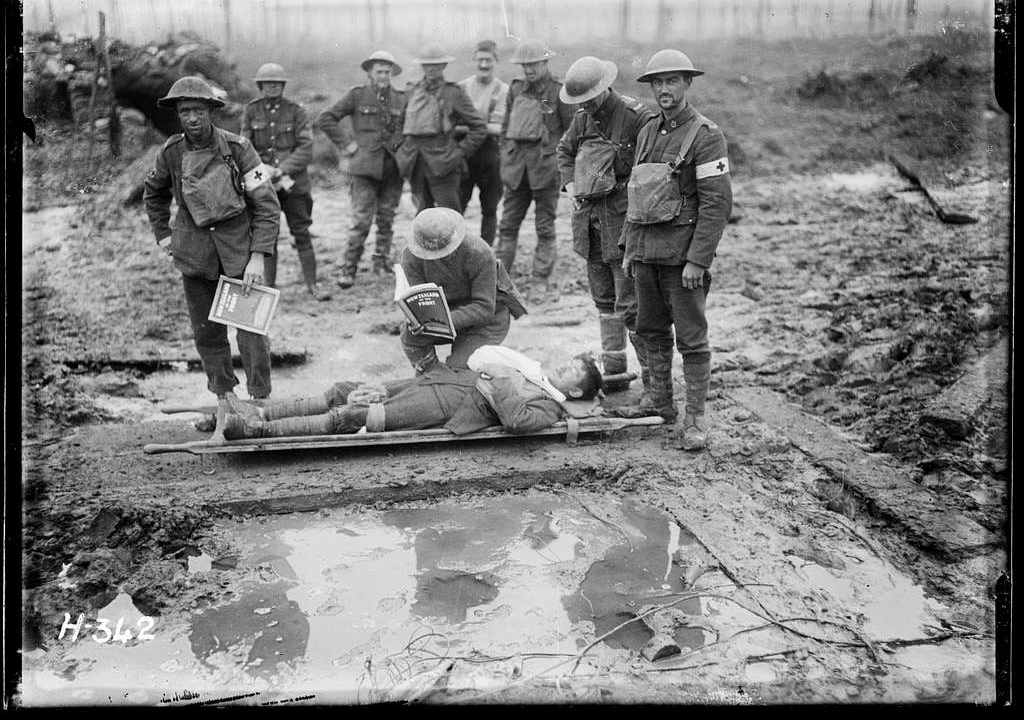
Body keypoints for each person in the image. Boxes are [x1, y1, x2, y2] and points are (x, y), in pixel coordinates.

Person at [144, 76, 281, 442]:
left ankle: (260, 399)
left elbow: (267, 207)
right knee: (208, 333)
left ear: (211, 112)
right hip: (195, 256)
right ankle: (224, 398)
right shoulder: (171, 153)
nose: (192, 118)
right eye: (185, 111)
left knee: (251, 332)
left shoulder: (239, 148)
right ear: (177, 114)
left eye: (199, 110)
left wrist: (257, 257)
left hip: (239, 256)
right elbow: (153, 194)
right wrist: (164, 236)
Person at [615, 49, 732, 451]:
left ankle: (695, 418)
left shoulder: (705, 135)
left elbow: (717, 204)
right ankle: (660, 402)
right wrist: (629, 248)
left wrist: (698, 260)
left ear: (687, 84)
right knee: (649, 330)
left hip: (682, 260)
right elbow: (638, 194)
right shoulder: (648, 131)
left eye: (672, 81)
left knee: (692, 339)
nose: (664, 90)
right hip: (646, 253)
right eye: (657, 83)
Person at [213, 345, 603, 440]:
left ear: (576, 389)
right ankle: (258, 412)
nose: (564, 366)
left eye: (573, 371)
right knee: (348, 390)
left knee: (353, 416)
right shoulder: (535, 372)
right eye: (570, 362)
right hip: (444, 383)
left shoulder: (551, 407)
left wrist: (500, 375)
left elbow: (517, 422)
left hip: (454, 406)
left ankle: (256, 431)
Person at [556, 56, 656, 389]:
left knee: (630, 307)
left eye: (587, 98)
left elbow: (654, 172)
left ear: (604, 88)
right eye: (578, 101)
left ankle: (655, 383)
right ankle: (616, 375)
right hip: (591, 229)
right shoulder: (582, 119)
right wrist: (571, 185)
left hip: (625, 228)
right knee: (604, 304)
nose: (583, 105)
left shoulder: (636, 117)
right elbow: (564, 152)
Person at [317, 50, 406, 289]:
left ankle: (381, 263)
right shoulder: (357, 95)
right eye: (379, 71)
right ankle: (349, 267)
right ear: (369, 72)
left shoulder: (401, 98)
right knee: (361, 221)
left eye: (387, 72)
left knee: (387, 218)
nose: (384, 76)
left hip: (393, 168)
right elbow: (326, 118)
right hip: (364, 169)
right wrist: (347, 145)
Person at [240, 63, 330, 300]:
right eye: (268, 83)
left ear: (283, 86)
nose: (273, 87)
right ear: (260, 86)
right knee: (266, 234)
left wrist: (280, 170)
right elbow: (244, 147)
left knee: (301, 232)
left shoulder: (296, 111)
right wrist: (263, 169)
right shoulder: (251, 111)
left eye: (277, 83)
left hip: (293, 182)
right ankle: (269, 286)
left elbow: (305, 147)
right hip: (262, 184)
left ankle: (312, 285)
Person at [399, 207, 527, 373]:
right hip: (443, 317)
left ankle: (450, 380)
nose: (438, 257)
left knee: (459, 372)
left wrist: (444, 321)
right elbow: (420, 299)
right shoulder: (412, 256)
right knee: (410, 335)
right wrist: (416, 319)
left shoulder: (479, 252)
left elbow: (484, 307)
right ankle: (430, 378)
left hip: (484, 323)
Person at [494, 39, 576, 295]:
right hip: (517, 171)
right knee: (507, 225)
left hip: (545, 171)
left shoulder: (559, 91)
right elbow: (506, 128)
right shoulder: (516, 89)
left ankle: (540, 280)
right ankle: (498, 282)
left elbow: (571, 132)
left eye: (534, 64)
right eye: (525, 65)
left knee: (544, 226)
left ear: (545, 62)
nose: (529, 70)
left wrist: (557, 162)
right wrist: (507, 157)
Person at [394, 43, 487, 213]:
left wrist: (460, 152)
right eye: (427, 65)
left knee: (450, 215)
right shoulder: (412, 91)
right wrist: (401, 148)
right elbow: (400, 123)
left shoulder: (453, 93)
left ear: (443, 66)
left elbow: (479, 127)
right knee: (422, 215)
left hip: (444, 163)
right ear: (422, 66)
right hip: (415, 161)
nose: (431, 69)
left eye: (436, 64)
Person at [456, 39, 509, 245]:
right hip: (465, 155)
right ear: (473, 60)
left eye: (489, 60)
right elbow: (452, 125)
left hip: (490, 158)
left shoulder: (502, 91)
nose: (484, 65)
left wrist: (471, 126)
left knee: (490, 208)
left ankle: (486, 253)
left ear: (496, 61)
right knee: (457, 207)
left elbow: (499, 128)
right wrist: (482, 126)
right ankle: (455, 252)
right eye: (480, 60)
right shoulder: (462, 87)